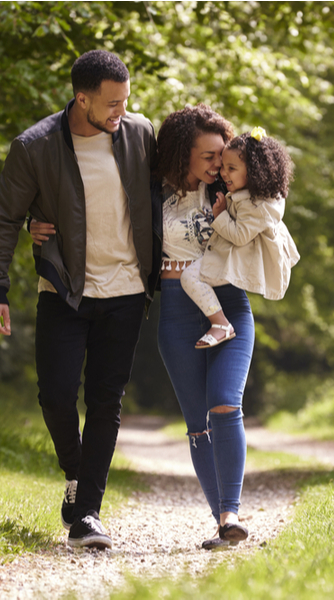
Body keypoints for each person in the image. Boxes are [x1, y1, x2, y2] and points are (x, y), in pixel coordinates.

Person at [0, 50, 157, 550]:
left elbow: (167, 193)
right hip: (65, 288)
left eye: (125, 102)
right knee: (55, 393)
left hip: (128, 290)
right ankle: (77, 471)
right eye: (111, 104)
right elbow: (5, 218)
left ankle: (87, 512)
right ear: (81, 98)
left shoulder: (138, 133)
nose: (121, 112)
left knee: (106, 400)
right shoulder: (35, 146)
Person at [151, 104, 256, 549]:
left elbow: (271, 202)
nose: (219, 164)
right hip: (177, 308)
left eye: (222, 155)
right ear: (182, 155)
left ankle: (232, 511)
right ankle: (222, 522)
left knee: (224, 403)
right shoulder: (151, 194)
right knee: (198, 424)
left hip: (228, 301)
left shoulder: (235, 188)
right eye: (209, 156)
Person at [179, 126, 300, 349]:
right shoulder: (252, 196)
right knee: (193, 275)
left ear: (253, 172)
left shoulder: (258, 206)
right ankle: (219, 323)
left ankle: (221, 324)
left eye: (231, 168)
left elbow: (239, 235)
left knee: (189, 277)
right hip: (233, 256)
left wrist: (220, 216)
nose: (223, 173)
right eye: (223, 167)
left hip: (243, 259)